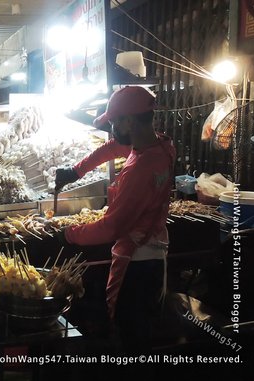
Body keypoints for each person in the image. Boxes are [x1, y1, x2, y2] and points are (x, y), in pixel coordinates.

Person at [54, 86, 176, 353]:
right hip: (154, 252)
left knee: (128, 336)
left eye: (113, 121)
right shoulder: (163, 146)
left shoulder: (139, 169)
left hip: (136, 263)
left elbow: (112, 227)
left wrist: (69, 234)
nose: (111, 127)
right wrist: (76, 171)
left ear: (129, 121)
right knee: (141, 331)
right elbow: (113, 147)